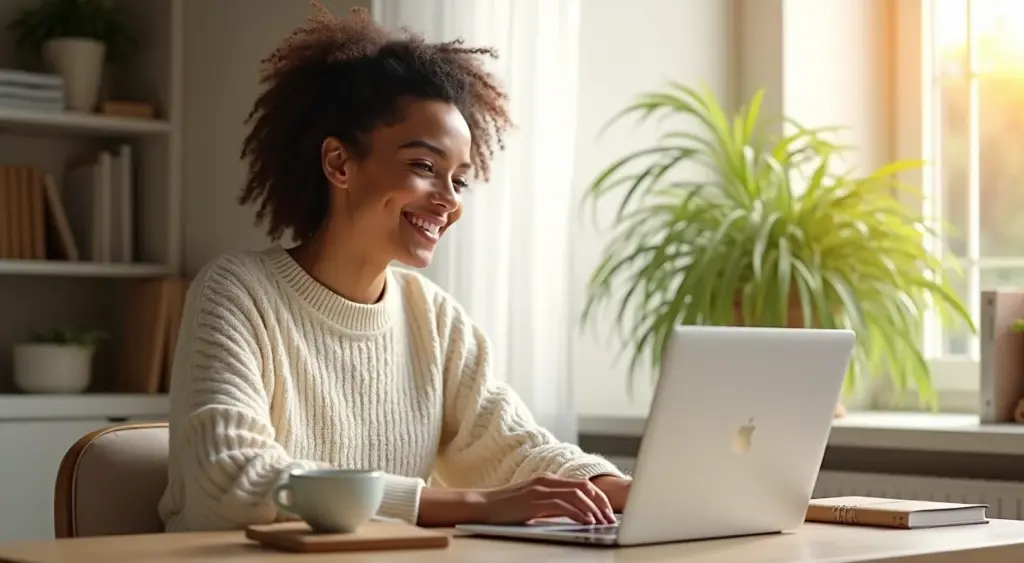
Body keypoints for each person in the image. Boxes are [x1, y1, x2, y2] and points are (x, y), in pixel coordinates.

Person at [157, 4, 630, 532]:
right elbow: (231, 480)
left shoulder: (434, 319)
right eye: (424, 167)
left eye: (459, 180)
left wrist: (640, 492)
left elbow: (517, 450)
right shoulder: (238, 292)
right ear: (339, 163)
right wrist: (476, 506)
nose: (448, 201)